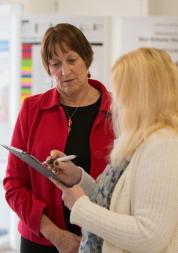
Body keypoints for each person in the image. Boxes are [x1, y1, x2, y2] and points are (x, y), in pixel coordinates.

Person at [47, 47, 178, 253]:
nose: (117, 101)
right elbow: (114, 201)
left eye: (122, 91)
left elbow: (149, 236)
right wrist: (78, 178)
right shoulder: (141, 139)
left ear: (143, 94)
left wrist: (81, 207)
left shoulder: (163, 145)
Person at [3, 23, 114, 253]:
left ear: (86, 59)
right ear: (48, 68)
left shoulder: (117, 112)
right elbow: (14, 185)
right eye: (55, 64)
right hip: (40, 241)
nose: (64, 71)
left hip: (101, 241)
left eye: (71, 60)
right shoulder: (31, 110)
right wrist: (53, 234)